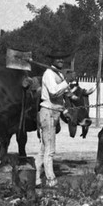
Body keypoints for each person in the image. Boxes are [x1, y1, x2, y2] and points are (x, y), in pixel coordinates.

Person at [38, 50, 72, 188]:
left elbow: (60, 99)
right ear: (51, 60)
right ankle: (51, 180)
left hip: (55, 112)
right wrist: (67, 82)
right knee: (50, 150)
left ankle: (35, 178)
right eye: (57, 58)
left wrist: (65, 110)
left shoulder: (58, 74)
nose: (60, 61)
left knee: (43, 149)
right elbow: (53, 92)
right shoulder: (48, 74)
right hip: (48, 113)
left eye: (62, 58)